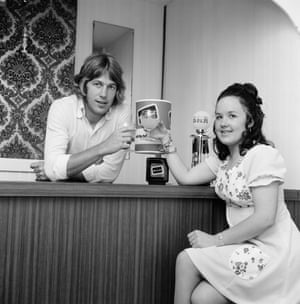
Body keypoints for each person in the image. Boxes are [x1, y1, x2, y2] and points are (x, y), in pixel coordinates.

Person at [150, 83, 300, 304]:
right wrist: (165, 139)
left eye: (232, 116)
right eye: (219, 117)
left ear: (249, 121)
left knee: (186, 260)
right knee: (202, 297)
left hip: (276, 253)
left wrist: (215, 241)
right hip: (248, 248)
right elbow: (186, 178)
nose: (223, 123)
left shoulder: (263, 155)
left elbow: (265, 218)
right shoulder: (223, 160)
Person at [31, 53, 134, 182]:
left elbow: (109, 173)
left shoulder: (122, 112)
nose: (104, 94)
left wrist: (61, 172)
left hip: (99, 197)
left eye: (111, 87)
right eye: (97, 84)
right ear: (84, 85)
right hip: (57, 195)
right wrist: (103, 148)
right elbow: (53, 168)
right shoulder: (62, 108)